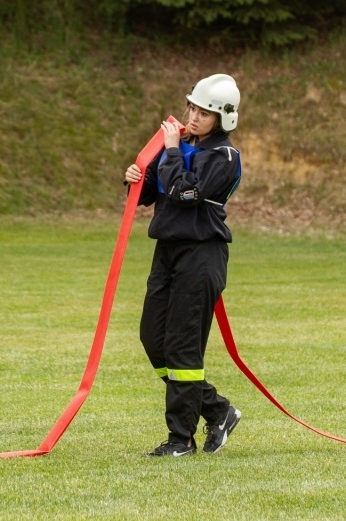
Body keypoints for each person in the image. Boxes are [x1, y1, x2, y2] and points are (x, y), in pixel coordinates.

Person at [124, 74, 244, 457]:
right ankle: (217, 409)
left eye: (204, 112)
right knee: (153, 340)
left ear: (223, 118)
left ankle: (181, 441)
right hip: (168, 252)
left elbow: (184, 192)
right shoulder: (177, 148)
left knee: (183, 351)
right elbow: (149, 194)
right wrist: (134, 179)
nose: (193, 117)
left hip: (201, 256)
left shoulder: (224, 158)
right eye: (191, 107)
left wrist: (171, 150)